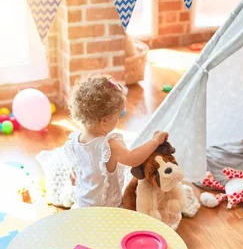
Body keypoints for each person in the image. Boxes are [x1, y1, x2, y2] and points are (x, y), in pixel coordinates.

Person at [65, 75, 168, 208]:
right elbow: (133, 159)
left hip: (83, 203)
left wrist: (74, 174)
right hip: (105, 208)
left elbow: (79, 165)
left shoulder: (75, 139)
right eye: (119, 116)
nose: (119, 119)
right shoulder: (108, 145)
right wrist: (155, 141)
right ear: (104, 121)